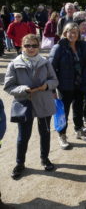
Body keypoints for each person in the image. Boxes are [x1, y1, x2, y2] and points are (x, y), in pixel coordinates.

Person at [4, 34, 59, 179]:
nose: (31, 48)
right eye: (27, 45)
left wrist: (47, 85)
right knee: (23, 136)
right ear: (22, 46)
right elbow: (8, 86)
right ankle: (20, 163)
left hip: (43, 103)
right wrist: (22, 89)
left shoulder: (45, 62)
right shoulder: (14, 64)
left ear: (38, 47)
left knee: (45, 133)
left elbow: (54, 80)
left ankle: (44, 158)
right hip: (24, 103)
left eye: (34, 45)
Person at [49, 22, 86, 149]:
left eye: (75, 32)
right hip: (64, 85)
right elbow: (50, 68)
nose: (72, 35)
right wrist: (52, 89)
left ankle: (78, 130)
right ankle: (62, 135)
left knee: (78, 108)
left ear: (78, 34)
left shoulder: (82, 46)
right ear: (65, 33)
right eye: (69, 32)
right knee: (63, 112)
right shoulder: (58, 47)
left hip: (80, 84)